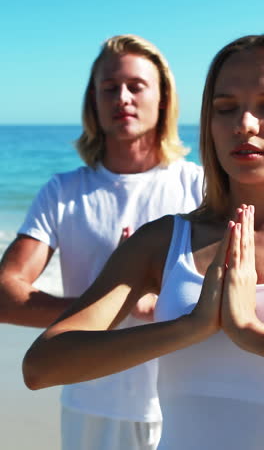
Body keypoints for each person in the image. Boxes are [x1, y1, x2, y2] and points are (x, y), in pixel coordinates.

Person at [22, 33, 264, 450]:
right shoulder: (166, 239)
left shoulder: (180, 183)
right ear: (208, 123)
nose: (244, 123)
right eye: (226, 108)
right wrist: (190, 327)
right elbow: (41, 366)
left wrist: (246, 330)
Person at [0, 34, 204, 450]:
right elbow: (6, 294)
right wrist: (113, 303)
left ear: (163, 98)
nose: (122, 97)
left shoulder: (198, 186)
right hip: (90, 401)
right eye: (109, 88)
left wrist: (162, 304)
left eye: (136, 86)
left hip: (183, 402)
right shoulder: (63, 191)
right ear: (92, 101)